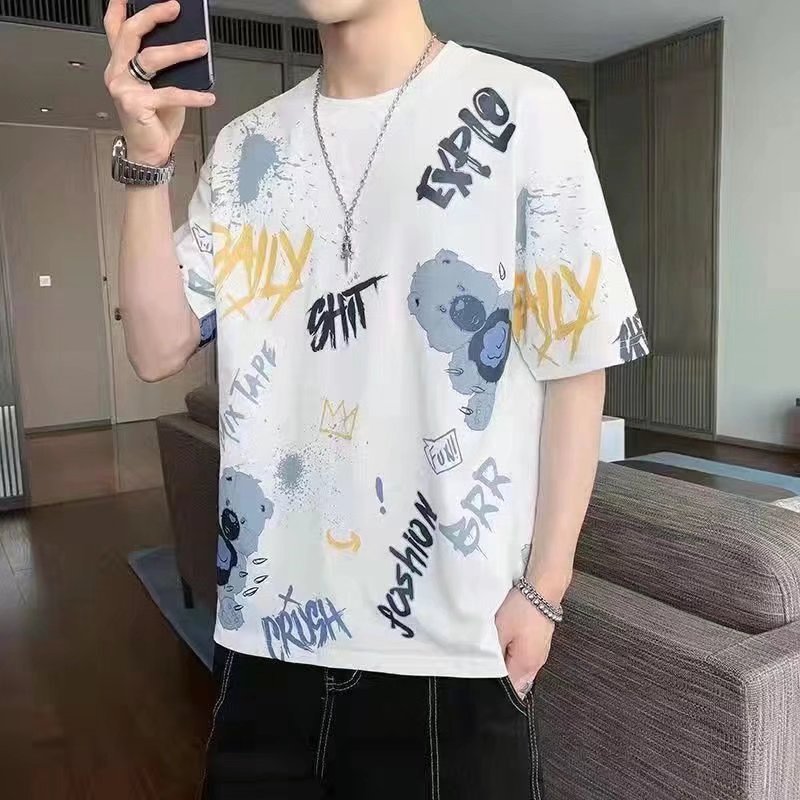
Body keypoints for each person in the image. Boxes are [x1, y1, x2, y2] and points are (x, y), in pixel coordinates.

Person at [102, 0, 648, 796]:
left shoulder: (522, 110)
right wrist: (148, 166)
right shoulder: (247, 146)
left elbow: (577, 362)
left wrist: (545, 590)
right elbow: (156, 348)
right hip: (265, 645)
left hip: (452, 649)